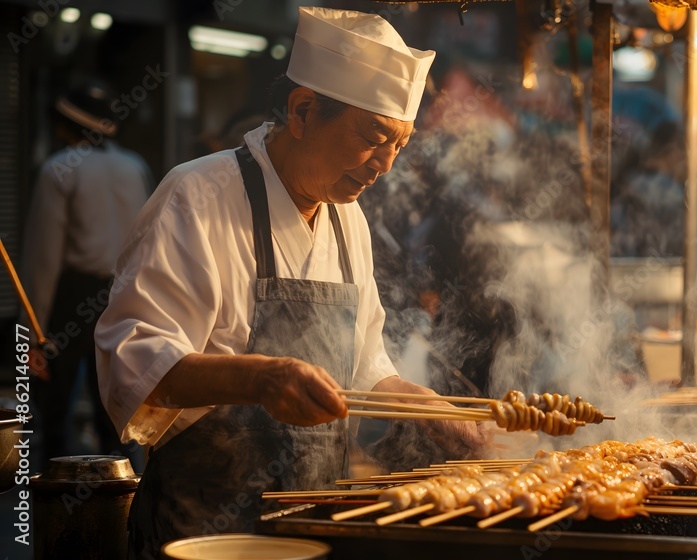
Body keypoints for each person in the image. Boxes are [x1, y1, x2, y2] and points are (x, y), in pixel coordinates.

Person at [94, 8, 486, 557]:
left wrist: (421, 403)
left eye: (400, 144)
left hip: (314, 530)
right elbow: (133, 366)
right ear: (303, 111)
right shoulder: (196, 196)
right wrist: (261, 378)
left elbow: (368, 368)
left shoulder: (348, 219)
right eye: (374, 137)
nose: (386, 165)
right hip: (204, 535)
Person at [23, 80, 152, 461]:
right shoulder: (135, 166)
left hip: (71, 297)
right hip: (124, 293)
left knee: (57, 408)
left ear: (66, 126)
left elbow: (43, 258)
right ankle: (119, 499)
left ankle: (59, 497)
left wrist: (34, 332)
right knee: (115, 407)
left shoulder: (58, 169)